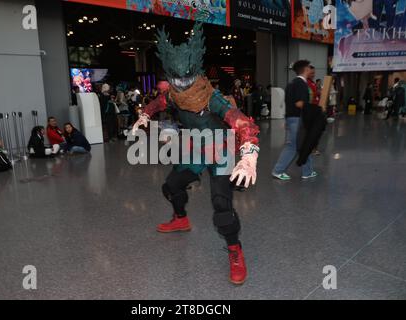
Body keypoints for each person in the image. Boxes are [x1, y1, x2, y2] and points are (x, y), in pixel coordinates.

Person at [131, 23, 260, 285]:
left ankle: (235, 250)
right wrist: (145, 114)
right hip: (196, 148)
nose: (182, 84)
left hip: (221, 151)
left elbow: (242, 123)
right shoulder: (175, 96)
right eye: (176, 80)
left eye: (186, 78)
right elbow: (159, 102)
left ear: (195, 72)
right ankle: (181, 219)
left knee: (222, 208)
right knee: (171, 187)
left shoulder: (212, 98)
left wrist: (249, 155)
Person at [272, 60, 317, 180]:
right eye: (309, 68)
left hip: (292, 119)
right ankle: (278, 170)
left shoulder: (291, 83)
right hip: (298, 119)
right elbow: (299, 103)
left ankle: (308, 172)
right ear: (305, 70)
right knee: (292, 147)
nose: (311, 70)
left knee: (303, 145)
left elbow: (289, 103)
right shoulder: (301, 84)